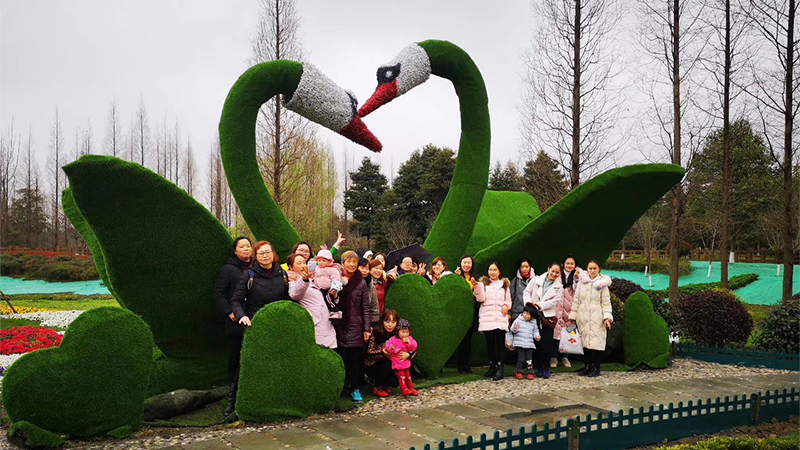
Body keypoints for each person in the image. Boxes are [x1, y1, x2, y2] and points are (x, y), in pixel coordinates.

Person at [228, 241, 289, 413]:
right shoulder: (249, 275)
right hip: (255, 324)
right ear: (256, 256)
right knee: (246, 363)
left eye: (268, 252)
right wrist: (242, 316)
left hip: (276, 325)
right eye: (261, 253)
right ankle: (233, 401)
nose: (265, 256)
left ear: (273, 253)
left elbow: (287, 298)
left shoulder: (281, 273)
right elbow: (236, 300)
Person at [213, 237, 252, 418]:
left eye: (248, 246)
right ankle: (232, 393)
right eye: (242, 247)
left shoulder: (257, 267)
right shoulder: (228, 270)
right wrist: (230, 312)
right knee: (235, 355)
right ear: (235, 251)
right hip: (235, 321)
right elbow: (219, 294)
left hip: (253, 317)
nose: (246, 249)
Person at [334, 250, 371, 402]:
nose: (351, 264)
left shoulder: (361, 282)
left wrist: (366, 328)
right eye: (348, 261)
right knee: (339, 358)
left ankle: (355, 389)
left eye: (354, 262)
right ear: (342, 263)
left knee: (354, 361)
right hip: (338, 324)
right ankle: (339, 388)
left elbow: (365, 307)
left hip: (356, 325)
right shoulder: (335, 279)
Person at [568, 260, 613, 377]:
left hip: (597, 317)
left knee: (597, 344)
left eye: (595, 269)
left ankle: (596, 367)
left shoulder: (603, 285)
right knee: (585, 344)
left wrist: (607, 318)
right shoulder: (582, 283)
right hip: (583, 317)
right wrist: (573, 316)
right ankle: (587, 366)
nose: (592, 271)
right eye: (590, 269)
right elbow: (576, 300)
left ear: (599, 269)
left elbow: (606, 303)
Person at [287, 253, 337, 349]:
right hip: (315, 327)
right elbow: (295, 294)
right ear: (291, 267)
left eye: (304, 262)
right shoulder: (292, 281)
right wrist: (304, 280)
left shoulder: (313, 279)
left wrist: (334, 295)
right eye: (299, 263)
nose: (303, 266)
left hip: (327, 325)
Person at [524, 262, 564, 378]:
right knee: (536, 342)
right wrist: (528, 304)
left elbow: (554, 301)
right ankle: (537, 367)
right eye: (552, 271)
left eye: (557, 272)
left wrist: (539, 305)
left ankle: (545, 367)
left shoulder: (559, 287)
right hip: (533, 315)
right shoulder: (536, 280)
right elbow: (526, 291)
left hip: (547, 317)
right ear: (548, 269)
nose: (554, 274)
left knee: (547, 343)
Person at [475, 262, 512, 381]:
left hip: (500, 317)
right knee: (490, 344)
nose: (492, 272)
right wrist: (476, 288)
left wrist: (506, 306)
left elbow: (508, 301)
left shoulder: (504, 285)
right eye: (490, 269)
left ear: (499, 271)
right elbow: (480, 298)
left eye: (495, 270)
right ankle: (492, 366)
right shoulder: (484, 284)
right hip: (488, 317)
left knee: (500, 343)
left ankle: (501, 367)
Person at [553, 255, 581, 368]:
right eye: (567, 263)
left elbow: (578, 290)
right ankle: (553, 357)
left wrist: (576, 278)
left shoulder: (577, 277)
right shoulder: (558, 275)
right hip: (558, 310)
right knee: (555, 335)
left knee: (568, 334)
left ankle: (565, 358)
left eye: (572, 264)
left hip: (570, 311)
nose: (569, 265)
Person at [364, 309, 400, 397]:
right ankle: (377, 386)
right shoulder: (375, 332)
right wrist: (382, 352)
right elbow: (368, 353)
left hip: (392, 363)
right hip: (373, 364)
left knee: (395, 382)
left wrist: (408, 354)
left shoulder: (397, 334)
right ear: (382, 321)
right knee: (387, 364)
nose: (390, 325)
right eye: (387, 321)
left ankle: (385, 384)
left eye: (393, 322)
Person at [455, 255, 479, 374]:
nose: (466, 265)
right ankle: (460, 365)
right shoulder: (457, 276)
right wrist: (456, 277)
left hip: (471, 312)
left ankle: (466, 365)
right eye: (464, 262)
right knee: (460, 340)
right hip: (459, 313)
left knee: (468, 341)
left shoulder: (475, 277)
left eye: (469, 263)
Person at [385, 319, 419, 396]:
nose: (405, 334)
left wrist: (409, 343)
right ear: (398, 331)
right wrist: (390, 348)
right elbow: (388, 346)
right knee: (401, 376)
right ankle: (404, 389)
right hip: (396, 362)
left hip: (405, 362)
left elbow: (413, 347)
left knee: (408, 376)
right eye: (403, 332)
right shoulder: (393, 339)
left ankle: (411, 388)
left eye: (406, 332)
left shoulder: (410, 339)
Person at [509, 304, 541, 380]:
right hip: (520, 343)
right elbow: (512, 329)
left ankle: (530, 371)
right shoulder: (518, 320)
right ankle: (519, 371)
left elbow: (535, 330)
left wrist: (537, 336)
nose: (526, 315)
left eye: (528, 314)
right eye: (525, 313)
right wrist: (515, 329)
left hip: (529, 343)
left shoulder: (533, 322)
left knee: (529, 359)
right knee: (521, 358)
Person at [313, 249, 346, 320]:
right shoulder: (316, 269)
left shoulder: (332, 270)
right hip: (319, 288)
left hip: (328, 289)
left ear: (329, 261)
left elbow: (336, 278)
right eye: (319, 260)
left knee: (329, 299)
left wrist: (334, 289)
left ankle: (336, 311)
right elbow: (313, 276)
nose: (321, 262)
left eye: (323, 260)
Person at [367, 260, 391, 328]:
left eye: (381, 269)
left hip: (380, 318)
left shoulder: (381, 283)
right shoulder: (367, 283)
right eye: (376, 268)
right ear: (370, 269)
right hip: (369, 319)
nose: (378, 271)